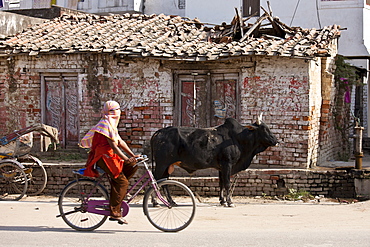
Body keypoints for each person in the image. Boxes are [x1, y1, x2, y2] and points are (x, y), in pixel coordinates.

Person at [80, 100, 139, 225]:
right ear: (111, 112)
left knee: (132, 166)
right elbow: (113, 146)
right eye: (117, 109)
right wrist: (125, 158)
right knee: (122, 182)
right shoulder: (105, 124)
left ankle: (117, 191)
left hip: (110, 156)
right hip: (103, 157)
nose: (119, 112)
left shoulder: (111, 124)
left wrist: (133, 156)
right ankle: (115, 212)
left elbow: (120, 142)